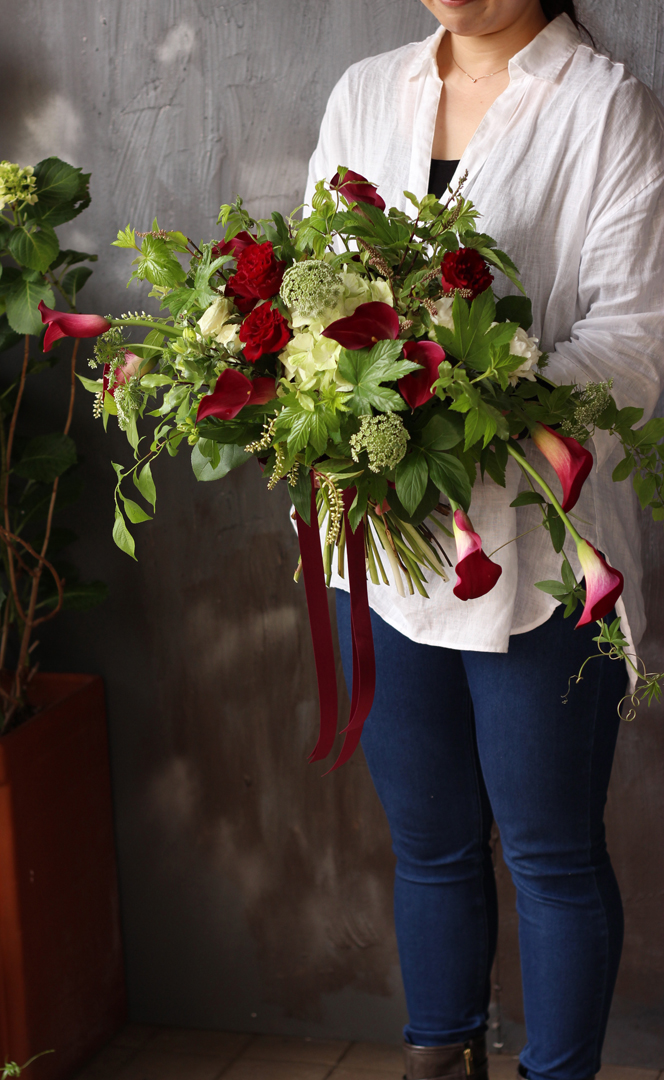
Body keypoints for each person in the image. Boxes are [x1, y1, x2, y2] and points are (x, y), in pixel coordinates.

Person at [303, 3, 664, 1080]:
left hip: (541, 555)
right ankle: (439, 1059)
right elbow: (309, 285)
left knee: (550, 856)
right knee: (430, 847)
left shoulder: (606, 109)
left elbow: (634, 340)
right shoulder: (367, 91)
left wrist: (463, 396)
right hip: (380, 546)